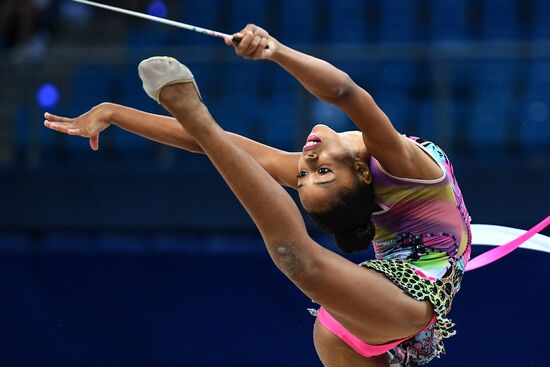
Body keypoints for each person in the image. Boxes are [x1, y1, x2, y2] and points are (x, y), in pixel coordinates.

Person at [44, 25, 471, 367]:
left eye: (309, 173)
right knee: (295, 255)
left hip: (382, 309)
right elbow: (344, 95)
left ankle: (199, 116)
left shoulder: (392, 165)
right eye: (316, 171)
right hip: (376, 308)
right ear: (359, 173)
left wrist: (276, 50)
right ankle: (199, 117)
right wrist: (115, 113)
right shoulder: (394, 163)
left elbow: (344, 92)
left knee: (294, 257)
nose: (306, 160)